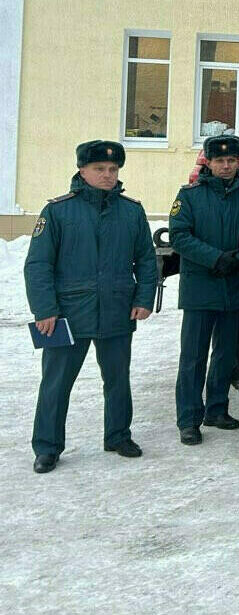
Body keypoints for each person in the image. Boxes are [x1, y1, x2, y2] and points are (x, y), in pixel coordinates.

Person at [25, 140, 157, 474]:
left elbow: (145, 259)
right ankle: (47, 447)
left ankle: (118, 435)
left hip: (117, 309)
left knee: (117, 379)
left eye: (113, 169)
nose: (107, 175)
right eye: (99, 169)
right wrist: (44, 310)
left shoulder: (131, 211)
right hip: (66, 315)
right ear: (82, 170)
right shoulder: (57, 211)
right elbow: (38, 265)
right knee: (56, 383)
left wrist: (144, 299)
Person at [169, 134, 239, 445]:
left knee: (225, 354)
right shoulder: (190, 196)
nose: (226, 166)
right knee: (193, 356)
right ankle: (190, 418)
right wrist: (215, 258)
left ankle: (217, 409)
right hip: (200, 287)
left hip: (233, 286)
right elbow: (179, 236)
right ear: (209, 161)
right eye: (220, 160)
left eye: (231, 160)